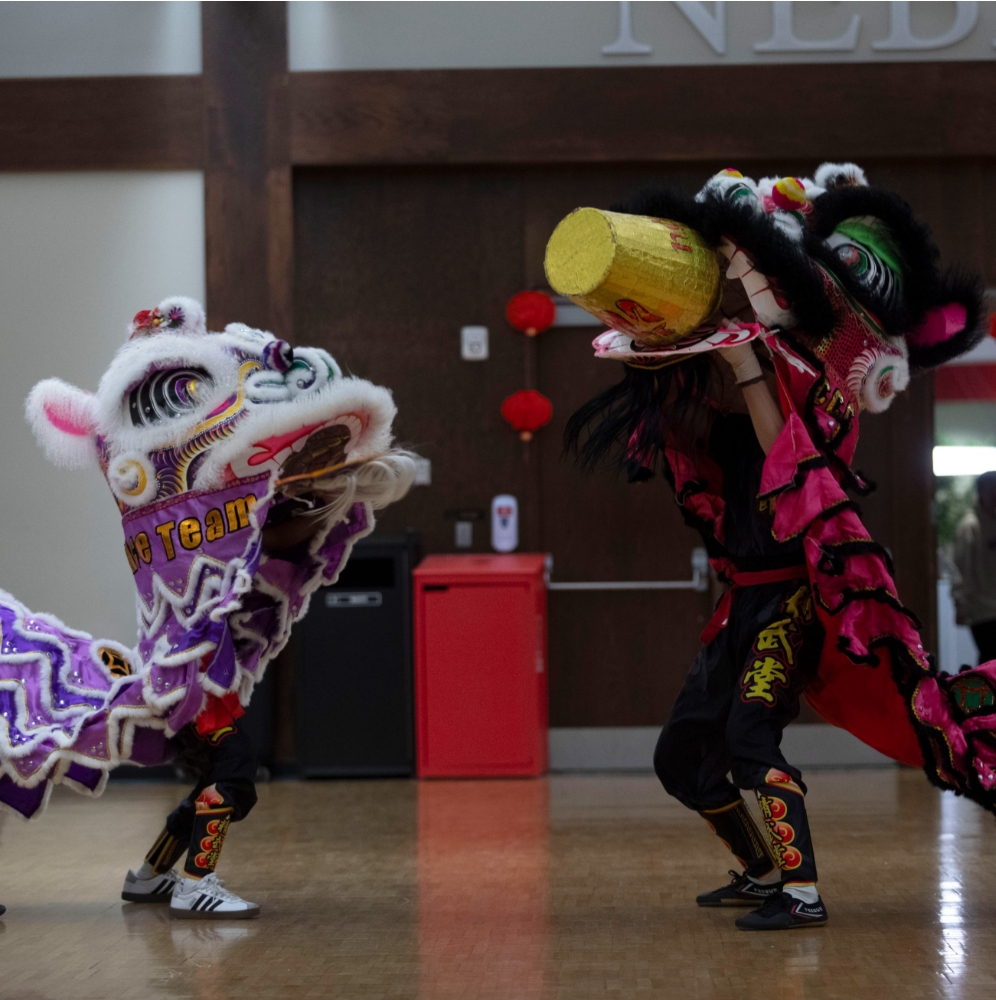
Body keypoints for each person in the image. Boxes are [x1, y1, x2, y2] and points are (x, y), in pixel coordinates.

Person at [952, 470, 996, 664]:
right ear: (981, 492)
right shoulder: (969, 526)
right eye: (991, 490)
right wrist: (960, 605)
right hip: (982, 610)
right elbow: (960, 570)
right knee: (990, 661)